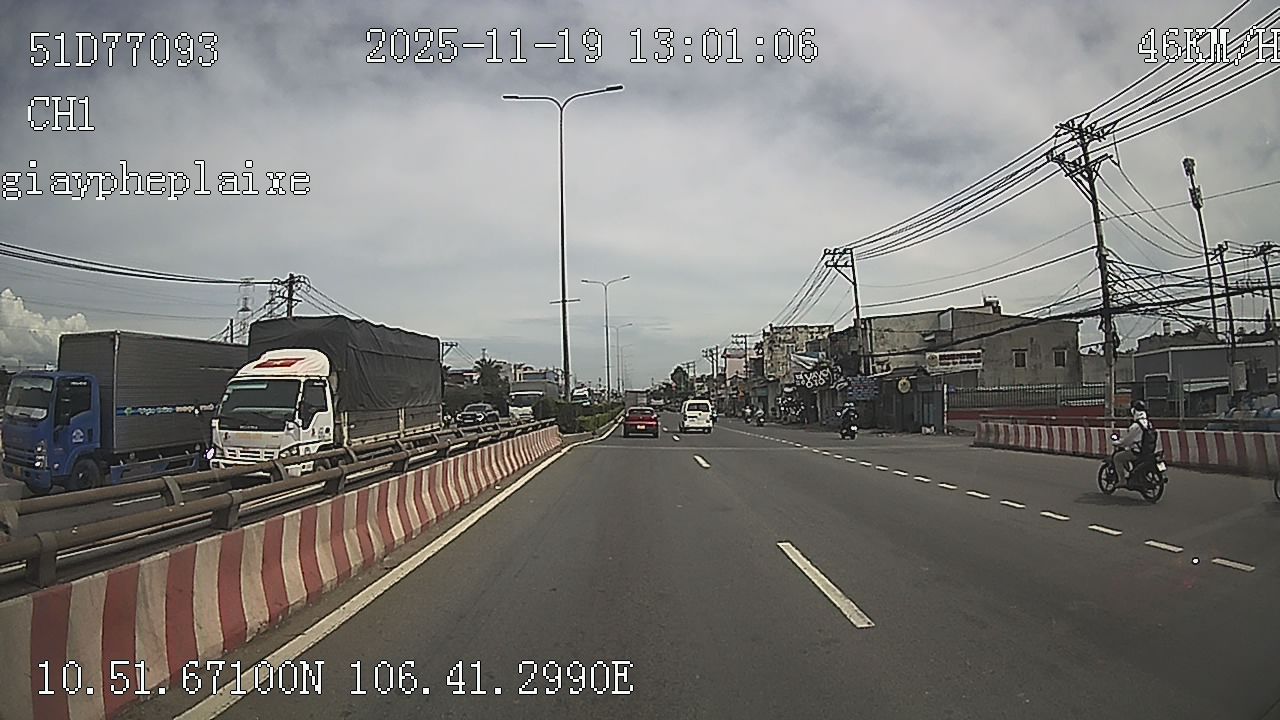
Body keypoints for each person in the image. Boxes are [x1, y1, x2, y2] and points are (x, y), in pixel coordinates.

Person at [1112, 400, 1156, 487]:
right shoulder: (1148, 423)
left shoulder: (1136, 426)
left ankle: (1122, 480)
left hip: (1137, 452)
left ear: (1134, 411)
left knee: (1117, 457)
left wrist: (1117, 443)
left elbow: (1127, 441)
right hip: (1147, 451)